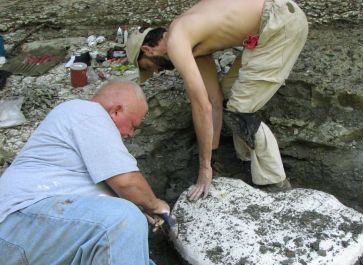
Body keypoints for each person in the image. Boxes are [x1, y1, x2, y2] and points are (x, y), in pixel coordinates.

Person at [0, 80, 313, 265]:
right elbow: (126, 181)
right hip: (20, 228)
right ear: (115, 111)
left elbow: (93, 211)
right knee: (123, 217)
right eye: (133, 125)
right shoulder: (81, 112)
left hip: (41, 262)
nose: (129, 136)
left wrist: (134, 215)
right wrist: (157, 206)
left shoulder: (79, 162)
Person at [126, 0, 308, 201]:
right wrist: (212, 158)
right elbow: (213, 101)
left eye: (147, 67)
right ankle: (245, 160)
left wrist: (204, 169)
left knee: (241, 109)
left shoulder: (177, 40)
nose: (156, 71)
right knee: (230, 93)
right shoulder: (192, 44)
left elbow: (201, 107)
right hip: (269, 26)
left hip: (280, 22)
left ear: (148, 50)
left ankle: (275, 182)